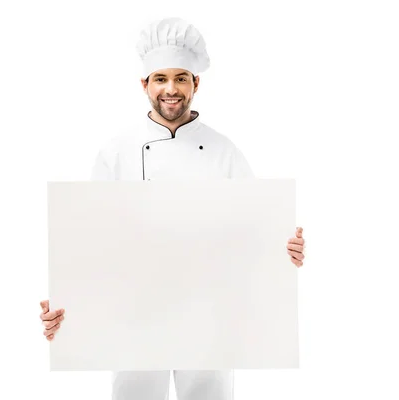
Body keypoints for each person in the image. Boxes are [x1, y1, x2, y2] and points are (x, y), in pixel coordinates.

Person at [39, 17, 306, 400]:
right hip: (134, 313)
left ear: (196, 83)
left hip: (210, 311)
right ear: (144, 85)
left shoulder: (224, 152)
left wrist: (289, 252)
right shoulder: (114, 153)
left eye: (182, 77)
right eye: (160, 78)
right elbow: (90, 243)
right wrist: (67, 311)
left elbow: (257, 232)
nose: (171, 88)